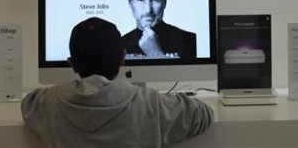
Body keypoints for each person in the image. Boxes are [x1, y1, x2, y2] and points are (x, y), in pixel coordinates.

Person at [22, 17, 213, 148]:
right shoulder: (152, 104)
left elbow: (27, 103)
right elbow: (204, 114)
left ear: (71, 64)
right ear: (123, 58)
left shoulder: (44, 103)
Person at [121, 0, 196, 59]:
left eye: (155, 0)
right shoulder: (118, 45)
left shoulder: (190, 41)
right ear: (130, 2)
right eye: (141, 0)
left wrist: (156, 53)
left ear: (165, 1)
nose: (148, 10)